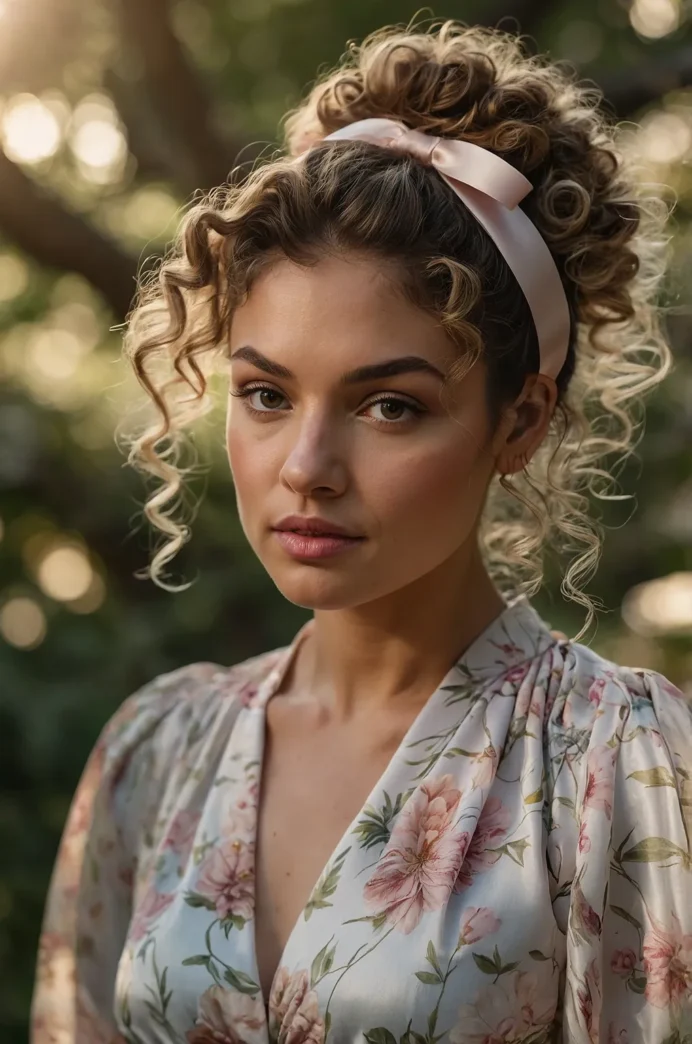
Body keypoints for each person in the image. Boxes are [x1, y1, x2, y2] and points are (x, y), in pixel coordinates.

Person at [31, 18, 692, 1044]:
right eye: (263, 394)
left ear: (517, 420)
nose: (305, 466)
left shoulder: (618, 767)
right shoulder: (157, 754)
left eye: (389, 406)